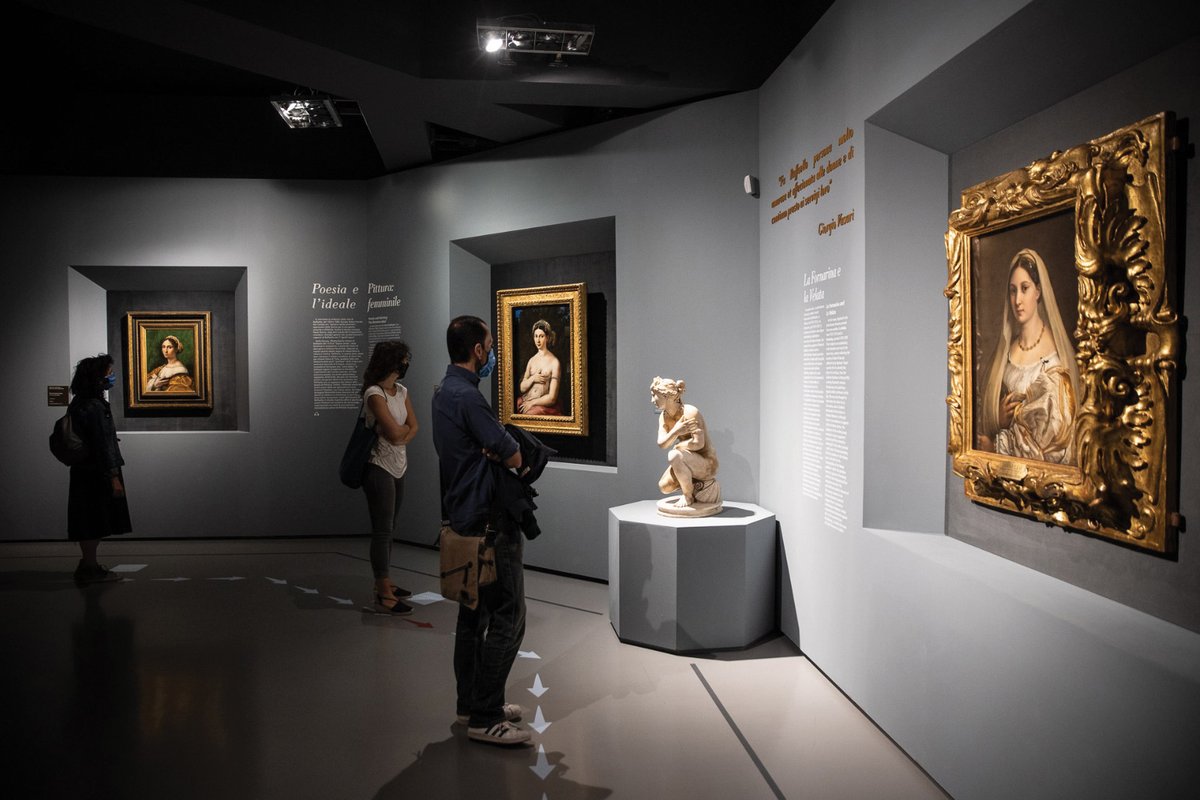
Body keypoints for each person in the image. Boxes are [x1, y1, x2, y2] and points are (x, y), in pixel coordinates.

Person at [432, 315, 530, 746]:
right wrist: (503, 452)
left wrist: (492, 449)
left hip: (462, 513)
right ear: (477, 350)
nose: (490, 353)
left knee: (474, 613)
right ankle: (486, 714)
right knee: (509, 615)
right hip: (489, 519)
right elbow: (513, 456)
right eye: (488, 347)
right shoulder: (470, 400)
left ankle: (470, 702)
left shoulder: (442, 392)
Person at [976, 248, 1080, 464]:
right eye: (1013, 291)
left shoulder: (1054, 360)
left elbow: (1055, 442)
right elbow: (986, 420)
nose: (1017, 300)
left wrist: (996, 446)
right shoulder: (1005, 351)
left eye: (1025, 289)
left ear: (1039, 291)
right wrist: (999, 419)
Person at [360, 340, 419, 615]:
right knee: (382, 530)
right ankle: (383, 592)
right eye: (404, 359)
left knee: (391, 526)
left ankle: (385, 581)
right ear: (392, 361)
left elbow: (414, 426)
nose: (406, 364)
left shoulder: (402, 391)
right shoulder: (374, 393)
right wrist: (401, 434)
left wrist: (401, 434)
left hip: (399, 465)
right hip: (378, 466)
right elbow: (396, 433)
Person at [67, 354, 132, 582]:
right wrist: (114, 476)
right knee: (94, 518)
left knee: (86, 517)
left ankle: (87, 563)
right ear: (97, 377)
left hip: (82, 468)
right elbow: (105, 443)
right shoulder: (96, 407)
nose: (111, 377)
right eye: (108, 373)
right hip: (98, 470)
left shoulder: (79, 402)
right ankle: (90, 567)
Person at [651, 376, 722, 516]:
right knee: (664, 487)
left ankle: (688, 496)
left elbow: (698, 443)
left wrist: (678, 447)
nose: (652, 400)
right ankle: (692, 483)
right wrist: (676, 430)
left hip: (706, 463)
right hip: (686, 460)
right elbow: (661, 443)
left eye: (655, 396)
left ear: (667, 396)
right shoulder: (664, 416)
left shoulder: (690, 412)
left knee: (674, 455)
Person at [516, 319, 562, 415]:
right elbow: (522, 388)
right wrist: (533, 378)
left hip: (542, 407)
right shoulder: (531, 360)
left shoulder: (554, 362)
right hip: (526, 400)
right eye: (536, 336)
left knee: (530, 413)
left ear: (548, 338)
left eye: (541, 336)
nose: (538, 340)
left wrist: (532, 403)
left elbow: (552, 398)